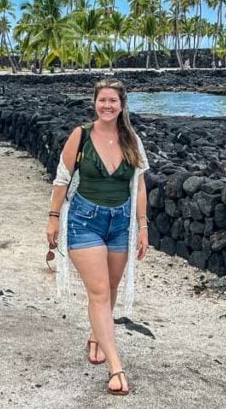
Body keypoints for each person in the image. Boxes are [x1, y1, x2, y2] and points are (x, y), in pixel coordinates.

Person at [46, 79, 149, 397]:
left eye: (113, 101)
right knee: (100, 291)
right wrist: (52, 219)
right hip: (84, 222)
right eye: (102, 100)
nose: (107, 105)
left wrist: (142, 225)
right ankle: (116, 367)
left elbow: (140, 184)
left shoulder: (131, 139)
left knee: (111, 288)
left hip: (120, 224)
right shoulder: (81, 136)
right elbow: (62, 179)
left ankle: (96, 337)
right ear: (95, 103)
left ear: (122, 105)